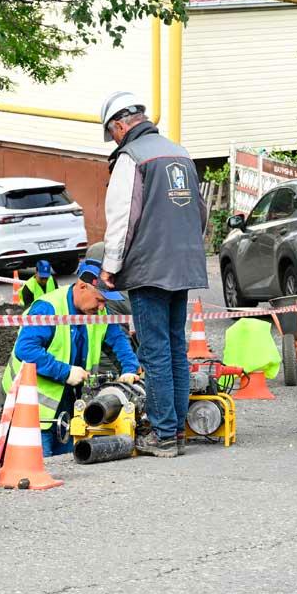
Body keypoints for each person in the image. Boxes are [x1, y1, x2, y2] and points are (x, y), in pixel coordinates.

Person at [98, 90, 208, 458]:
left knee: (155, 350)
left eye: (112, 132)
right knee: (175, 347)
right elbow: (200, 212)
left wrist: (110, 267)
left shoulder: (132, 157)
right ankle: (176, 431)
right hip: (184, 264)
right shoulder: (180, 153)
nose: (114, 138)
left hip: (149, 267)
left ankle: (163, 436)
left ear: (120, 124)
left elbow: (122, 219)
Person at [2, 258, 140, 457]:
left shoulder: (98, 312)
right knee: (39, 464)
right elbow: (26, 350)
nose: (102, 307)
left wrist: (129, 368)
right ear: (82, 287)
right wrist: (65, 372)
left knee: (66, 462)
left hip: (68, 403)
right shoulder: (48, 307)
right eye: (99, 299)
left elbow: (117, 340)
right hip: (31, 405)